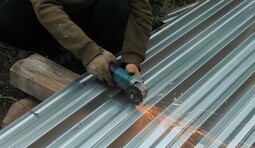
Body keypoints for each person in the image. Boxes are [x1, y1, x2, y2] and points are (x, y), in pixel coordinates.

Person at [0, 0, 153, 86]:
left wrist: (133, 58)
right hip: (49, 9)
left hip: (91, 10)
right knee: (6, 20)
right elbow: (46, 6)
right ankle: (53, 48)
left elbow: (141, 11)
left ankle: (102, 47)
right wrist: (88, 51)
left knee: (116, 5)